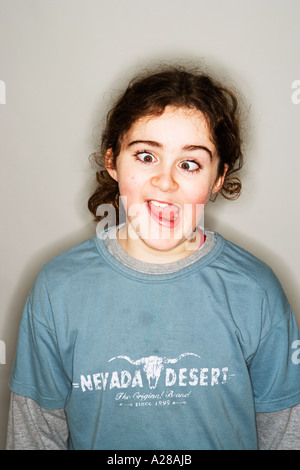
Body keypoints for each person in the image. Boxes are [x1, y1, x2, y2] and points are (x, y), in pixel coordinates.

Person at [6, 66, 300, 450]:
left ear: (216, 178)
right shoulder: (58, 289)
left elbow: (284, 434)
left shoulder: (256, 290)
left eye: (190, 163)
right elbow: (34, 435)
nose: (166, 181)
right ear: (113, 162)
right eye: (146, 156)